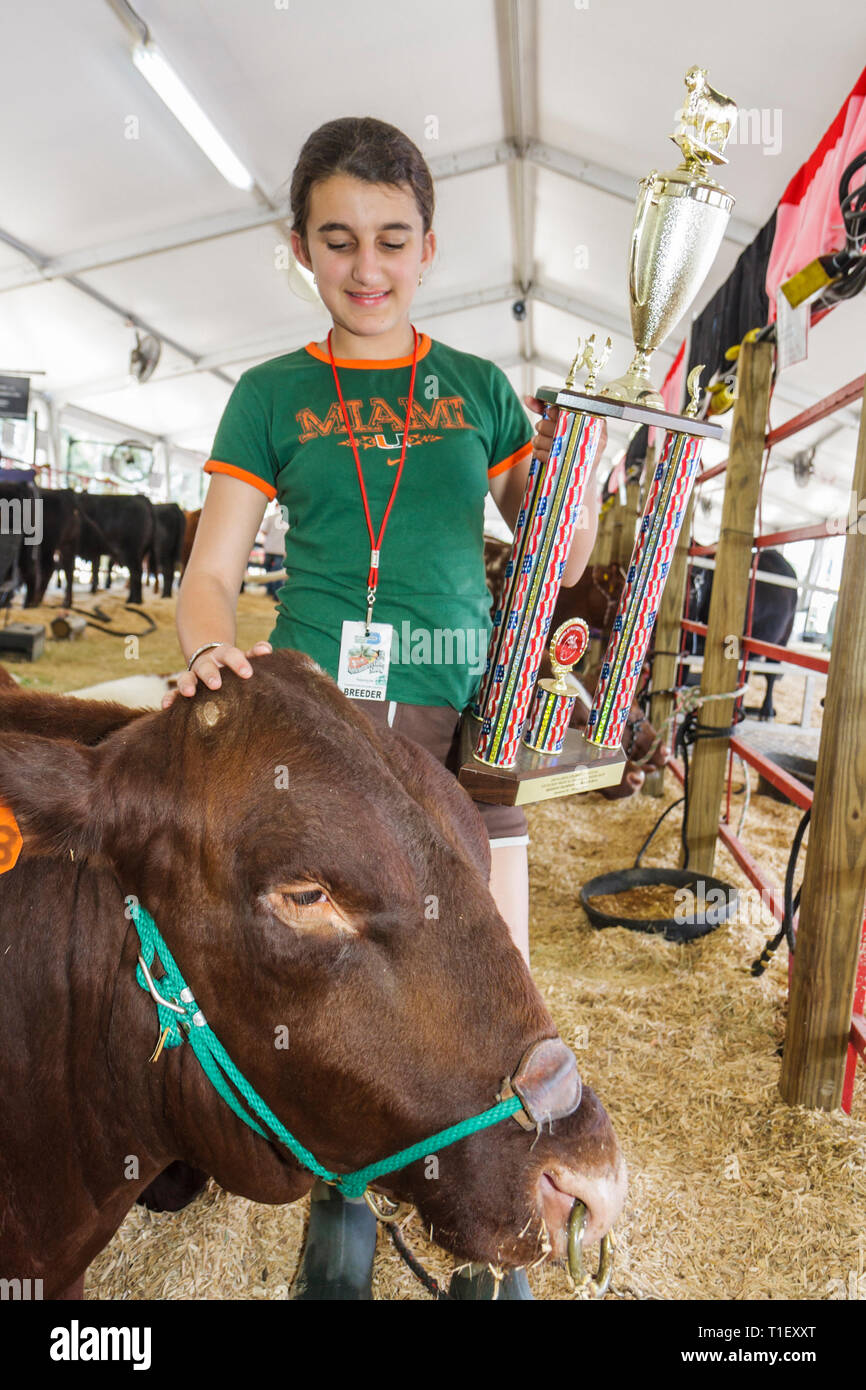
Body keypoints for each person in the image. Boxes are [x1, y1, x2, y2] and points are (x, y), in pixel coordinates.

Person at [164, 116, 602, 1300]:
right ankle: (343, 1191)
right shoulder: (269, 396)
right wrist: (212, 653)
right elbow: (210, 572)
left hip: (462, 733)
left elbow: (561, 555)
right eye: (339, 239)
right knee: (340, 980)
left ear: (428, 247)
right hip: (321, 733)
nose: (368, 267)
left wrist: (598, 477)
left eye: (392, 240)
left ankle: (498, 1209)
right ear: (298, 246)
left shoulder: (477, 394)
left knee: (486, 971)